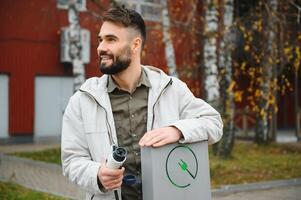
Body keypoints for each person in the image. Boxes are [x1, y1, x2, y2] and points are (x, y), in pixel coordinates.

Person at [61, 6, 223, 200]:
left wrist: (176, 130)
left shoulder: (171, 89)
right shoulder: (82, 100)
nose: (101, 47)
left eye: (111, 39)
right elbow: (72, 161)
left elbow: (214, 123)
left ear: (135, 45)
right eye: (100, 40)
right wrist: (96, 174)